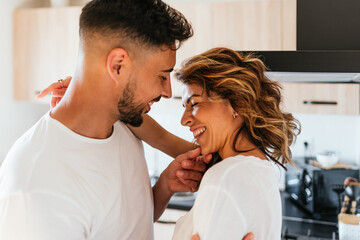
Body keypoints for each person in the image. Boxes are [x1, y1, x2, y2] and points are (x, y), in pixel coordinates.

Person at [0, 0, 212, 239]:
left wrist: (164, 187)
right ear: (118, 65)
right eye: (162, 76)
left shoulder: (124, 122)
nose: (166, 91)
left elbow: (124, 225)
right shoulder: (36, 189)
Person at [41, 47, 300, 239]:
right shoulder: (257, 168)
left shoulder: (224, 178)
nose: (184, 120)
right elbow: (161, 137)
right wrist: (91, 92)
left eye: (194, 104)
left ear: (237, 105)